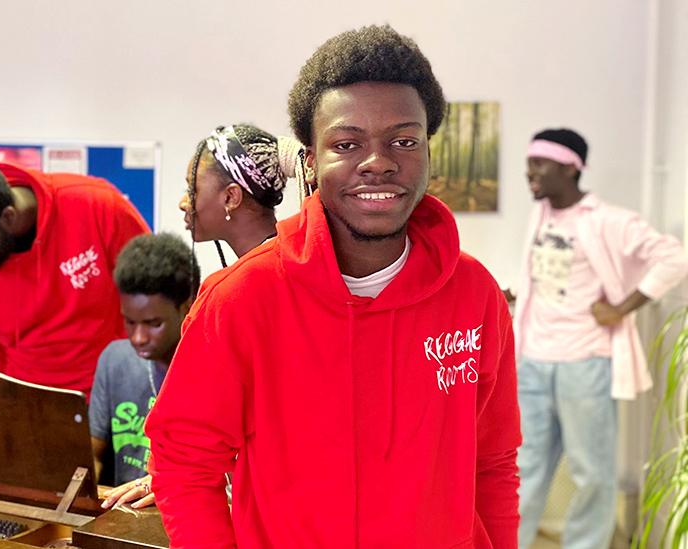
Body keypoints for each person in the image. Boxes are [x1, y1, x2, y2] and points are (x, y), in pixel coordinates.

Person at [145, 25, 521, 548]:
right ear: (310, 162)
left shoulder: (473, 293)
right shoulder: (242, 297)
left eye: (404, 140)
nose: (379, 161)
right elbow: (184, 464)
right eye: (347, 144)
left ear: (428, 152)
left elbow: (494, 461)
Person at [511, 128, 688, 548]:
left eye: (539, 163)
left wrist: (622, 308)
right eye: (529, 162)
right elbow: (558, 280)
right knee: (524, 468)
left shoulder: (608, 219)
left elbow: (674, 257)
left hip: (584, 365)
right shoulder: (542, 214)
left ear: (570, 168)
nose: (529, 172)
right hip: (533, 362)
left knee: (591, 473)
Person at [0, 159, 150, 395]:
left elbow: (156, 291)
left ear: (8, 217)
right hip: (24, 401)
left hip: (114, 390)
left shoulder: (97, 206)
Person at [88, 233, 198, 510]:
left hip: (186, 510)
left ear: (186, 307)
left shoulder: (217, 369)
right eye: (130, 322)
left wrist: (162, 482)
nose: (138, 337)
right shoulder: (114, 360)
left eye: (153, 323)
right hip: (122, 514)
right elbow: (94, 456)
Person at [179, 124, 301, 267]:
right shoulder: (292, 261)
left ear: (231, 197)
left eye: (192, 190)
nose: (182, 203)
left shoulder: (245, 282)